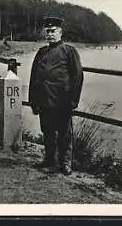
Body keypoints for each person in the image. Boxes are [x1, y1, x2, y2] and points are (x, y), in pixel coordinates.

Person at [29, 16, 84, 175]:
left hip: (62, 101)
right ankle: (49, 159)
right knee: (47, 132)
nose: (50, 34)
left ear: (60, 33)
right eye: (48, 31)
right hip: (44, 100)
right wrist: (33, 100)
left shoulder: (69, 51)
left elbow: (77, 76)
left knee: (64, 134)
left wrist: (73, 100)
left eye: (53, 31)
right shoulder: (41, 52)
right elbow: (34, 77)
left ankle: (65, 163)